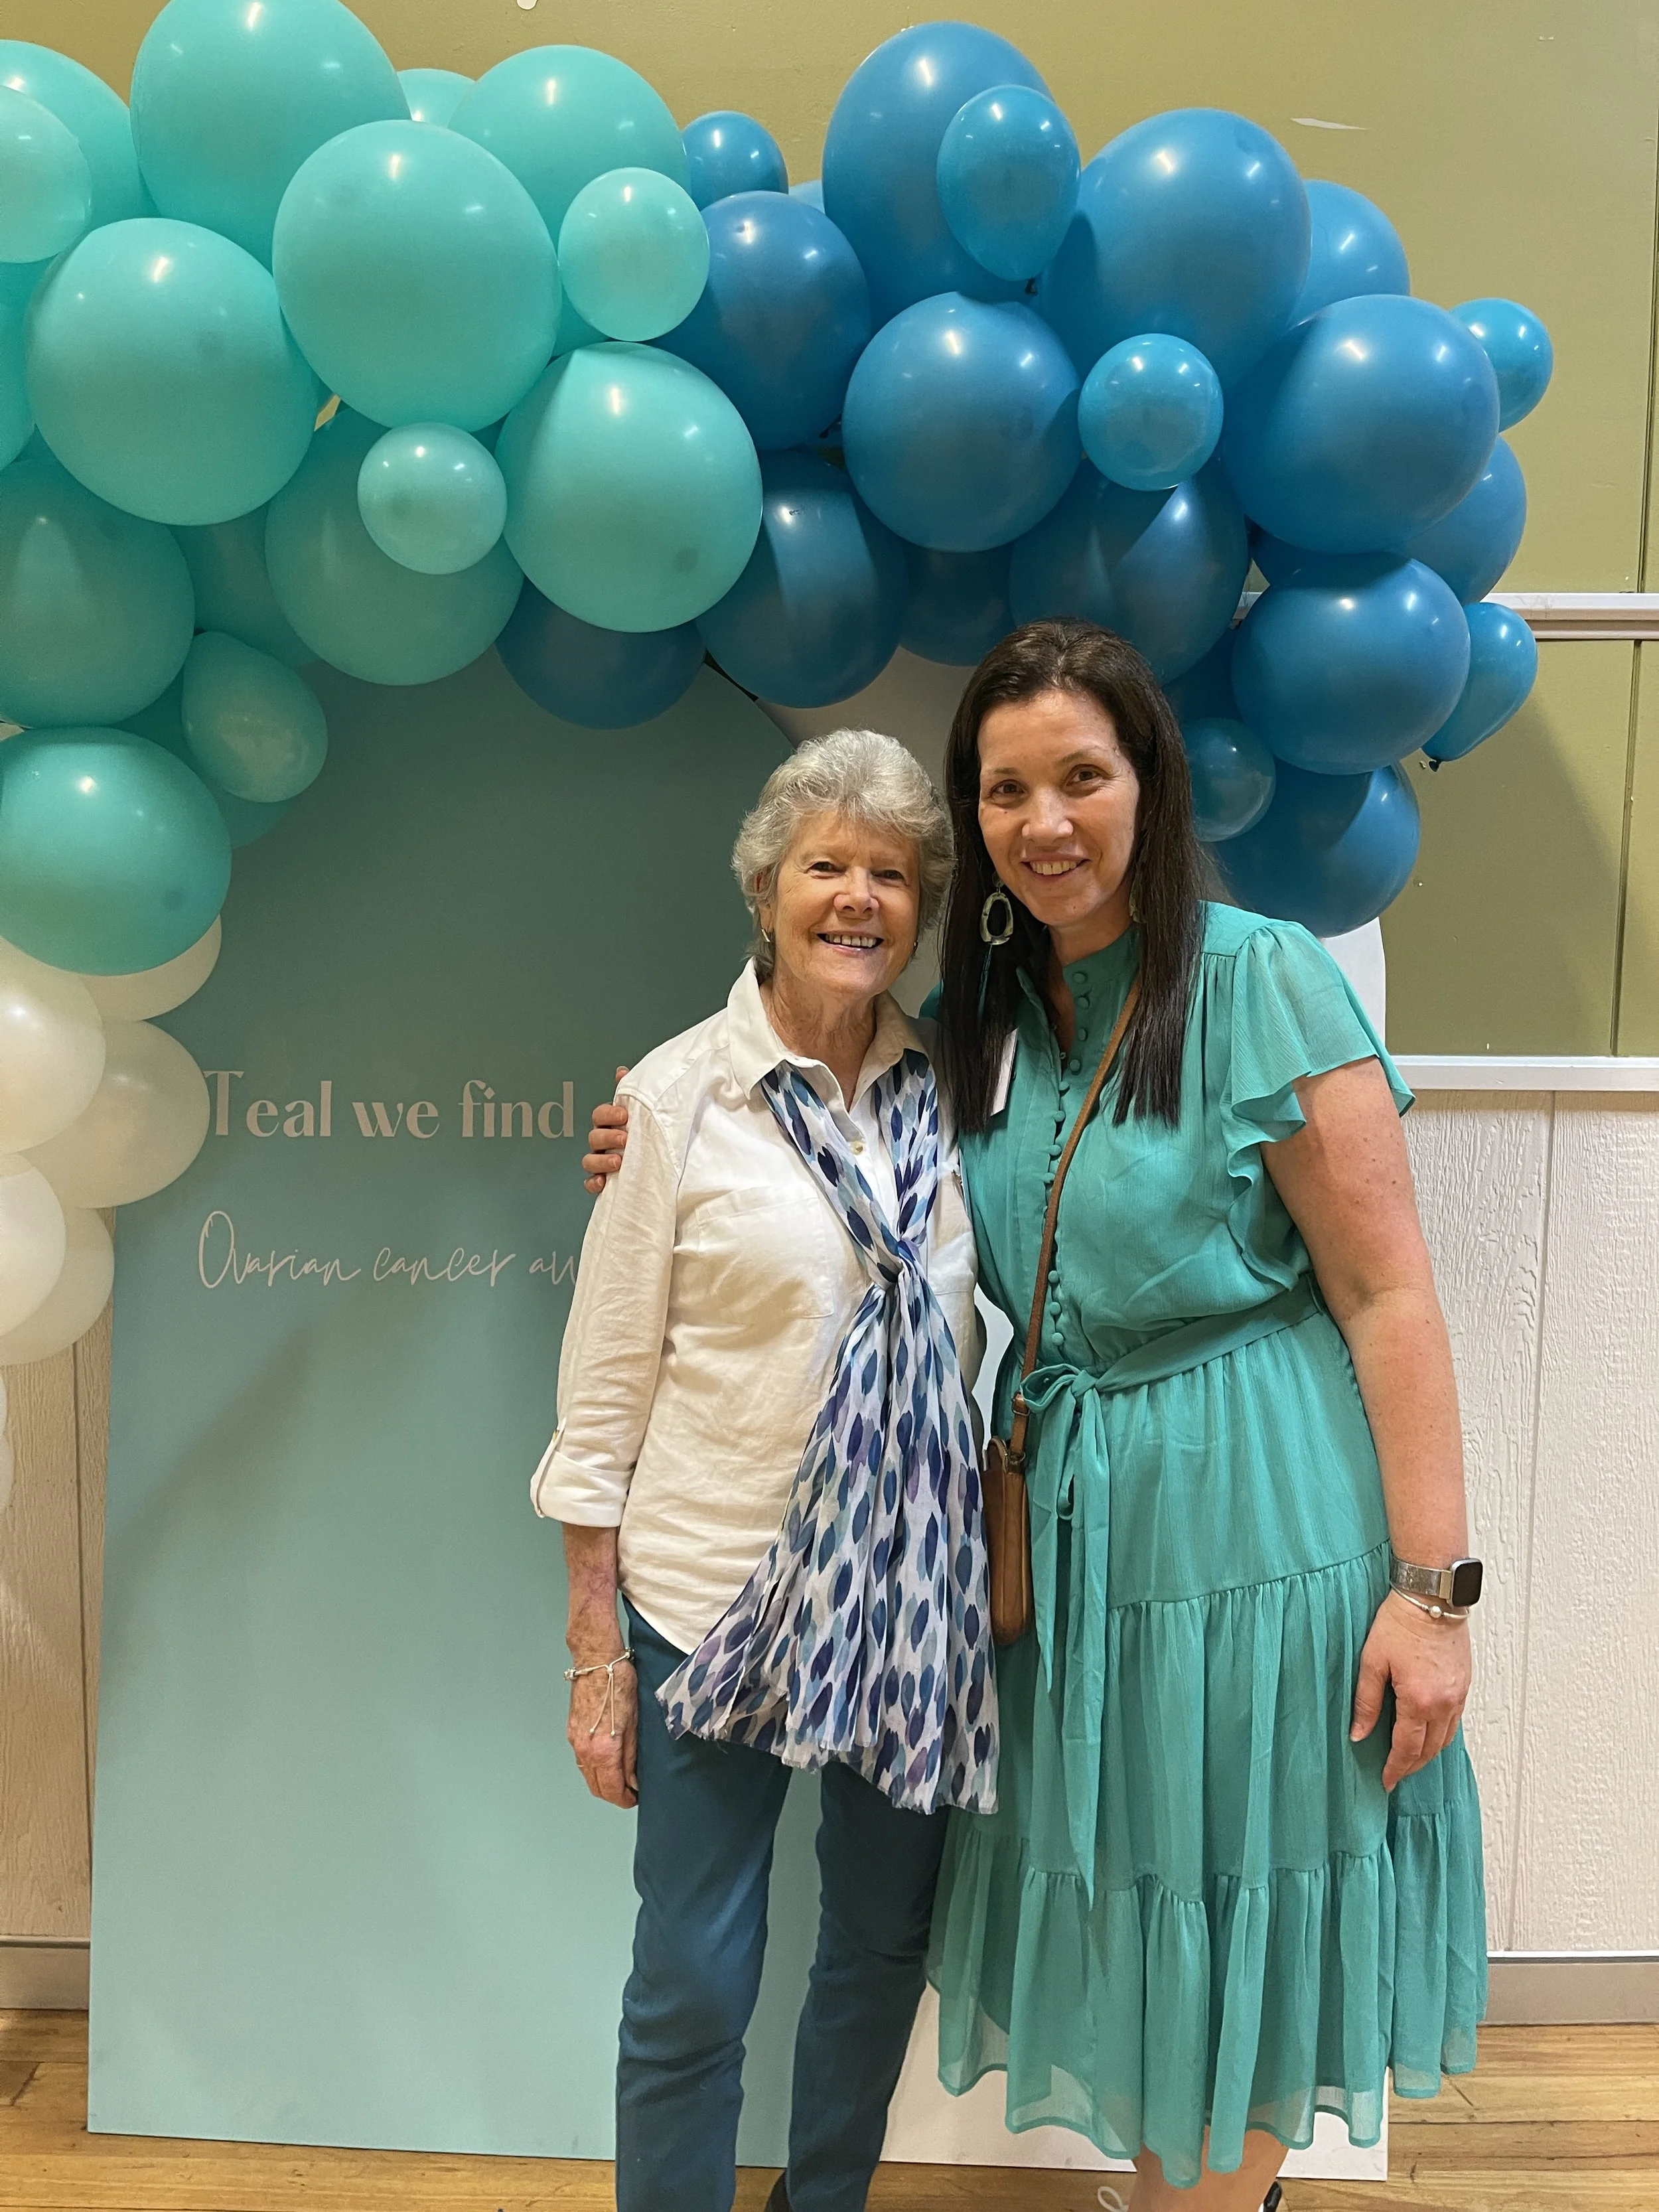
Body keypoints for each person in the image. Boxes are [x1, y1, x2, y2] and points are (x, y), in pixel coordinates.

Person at [587, 622, 1486, 2211]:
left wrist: (1431, 1591)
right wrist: (650, 1131)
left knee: (1242, 1863)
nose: (1043, 819)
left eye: (1081, 775)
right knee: (1137, 1878)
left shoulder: (1258, 976)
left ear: (1149, 785)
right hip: (1064, 1538)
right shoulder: (983, 1020)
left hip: (1252, 1514)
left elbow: (1387, 1296)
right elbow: (812, 1139)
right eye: (1005, 789)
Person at [534, 727, 991, 2212]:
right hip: (708, 1593)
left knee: (876, 1946)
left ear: (922, 907)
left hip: (909, 1598)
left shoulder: (958, 1093)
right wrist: (595, 1652)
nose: (858, 899)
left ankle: (824, 2198)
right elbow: (601, 1397)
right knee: (692, 1975)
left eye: (891, 875)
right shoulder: (677, 1099)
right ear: (765, 890)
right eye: (825, 867)